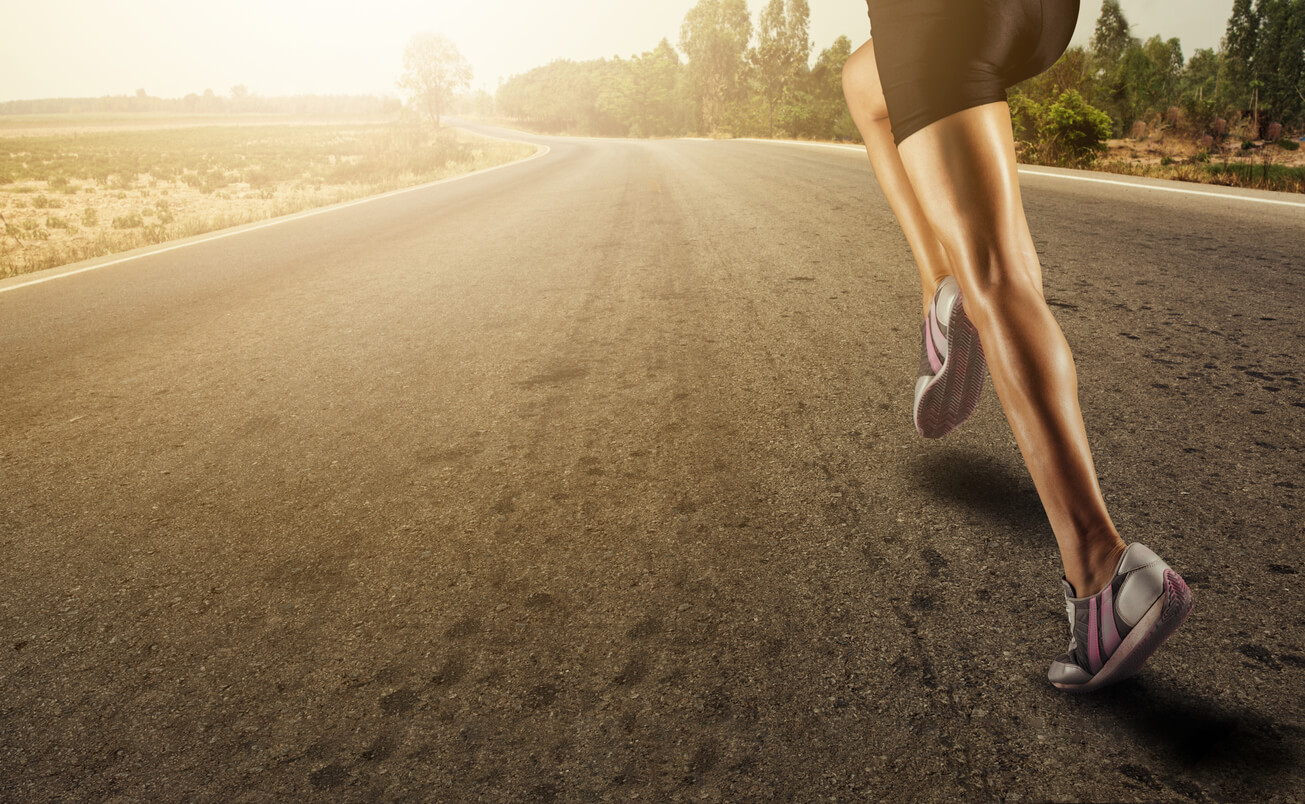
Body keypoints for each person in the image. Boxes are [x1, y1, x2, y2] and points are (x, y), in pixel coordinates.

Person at [840, 0, 1193, 692]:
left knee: (995, 275)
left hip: (940, 15)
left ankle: (1103, 571)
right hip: (1042, 16)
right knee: (864, 83)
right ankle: (940, 293)